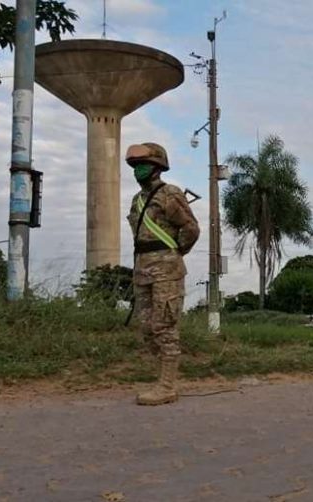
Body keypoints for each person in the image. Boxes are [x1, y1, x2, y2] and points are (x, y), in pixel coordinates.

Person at [125, 142, 200, 406]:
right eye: (134, 166)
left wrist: (175, 252)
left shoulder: (169, 194)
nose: (138, 170)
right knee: (146, 328)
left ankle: (167, 386)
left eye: (143, 165)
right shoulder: (138, 200)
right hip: (142, 269)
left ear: (157, 167)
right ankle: (163, 377)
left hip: (166, 269)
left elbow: (190, 228)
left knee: (164, 326)